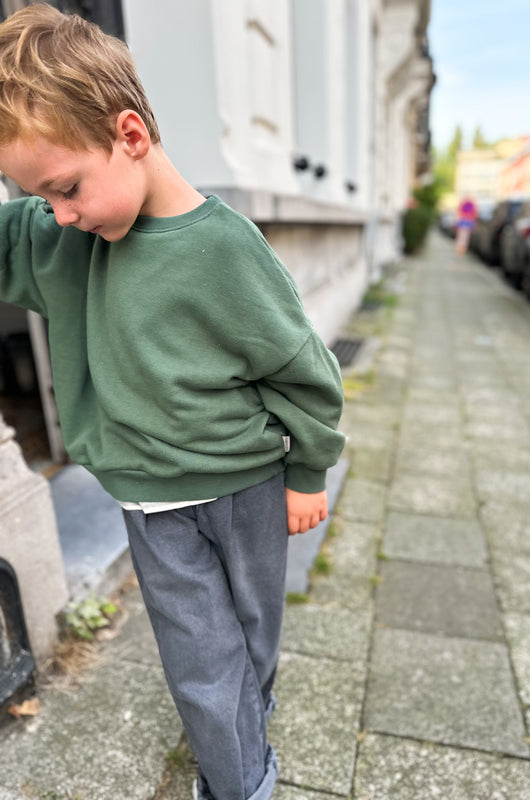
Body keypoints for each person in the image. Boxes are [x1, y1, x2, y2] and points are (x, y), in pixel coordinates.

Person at [0, 6, 345, 800]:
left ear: (130, 134)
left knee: (254, 640)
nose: (58, 213)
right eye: (36, 195)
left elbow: (302, 371)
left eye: (65, 189)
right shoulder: (60, 238)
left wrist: (308, 473)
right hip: (152, 503)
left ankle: (246, 722)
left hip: (250, 485)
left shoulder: (224, 249)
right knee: (202, 659)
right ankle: (240, 782)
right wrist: (48, 201)